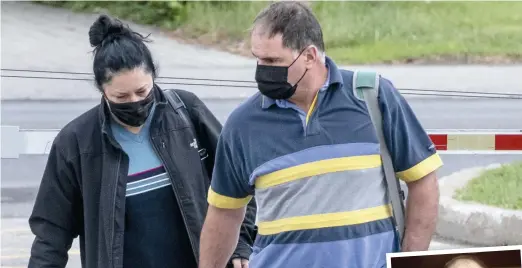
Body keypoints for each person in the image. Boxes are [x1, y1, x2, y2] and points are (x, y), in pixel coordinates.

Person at [198, 2, 443, 268]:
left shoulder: (373, 97)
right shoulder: (242, 124)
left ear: (310, 56)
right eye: (257, 58)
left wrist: (409, 262)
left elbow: (423, 182)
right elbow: (224, 213)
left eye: (272, 61)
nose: (261, 70)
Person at [28, 14, 256, 268]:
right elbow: (51, 234)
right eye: (121, 96)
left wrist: (240, 244)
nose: (135, 102)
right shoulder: (76, 144)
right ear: (102, 90)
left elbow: (239, 181)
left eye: (142, 91)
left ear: (154, 77)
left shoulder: (186, 113)